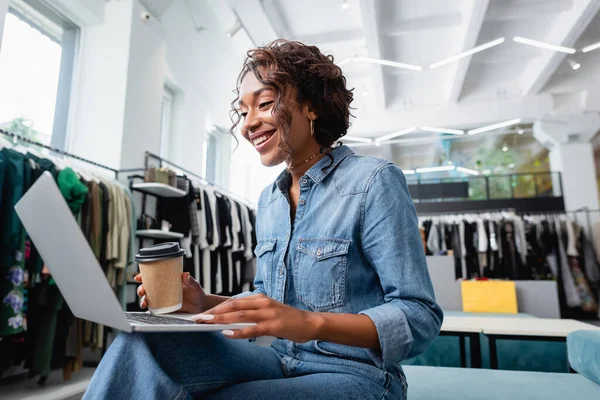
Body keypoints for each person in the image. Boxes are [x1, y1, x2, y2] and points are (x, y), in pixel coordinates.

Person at [84, 40, 443, 400]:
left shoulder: (372, 181)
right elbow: (268, 299)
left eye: (265, 103)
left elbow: (419, 315)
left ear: (311, 106)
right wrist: (205, 302)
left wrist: (310, 323)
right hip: (281, 359)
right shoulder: (270, 200)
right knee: (142, 343)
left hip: (356, 374)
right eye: (242, 111)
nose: (248, 124)